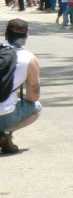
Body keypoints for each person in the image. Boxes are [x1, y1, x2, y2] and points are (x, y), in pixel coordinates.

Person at [0, 19, 42, 155]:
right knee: (36, 107)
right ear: (26, 37)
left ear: (5, 34)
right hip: (5, 114)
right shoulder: (29, 58)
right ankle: (6, 132)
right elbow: (33, 96)